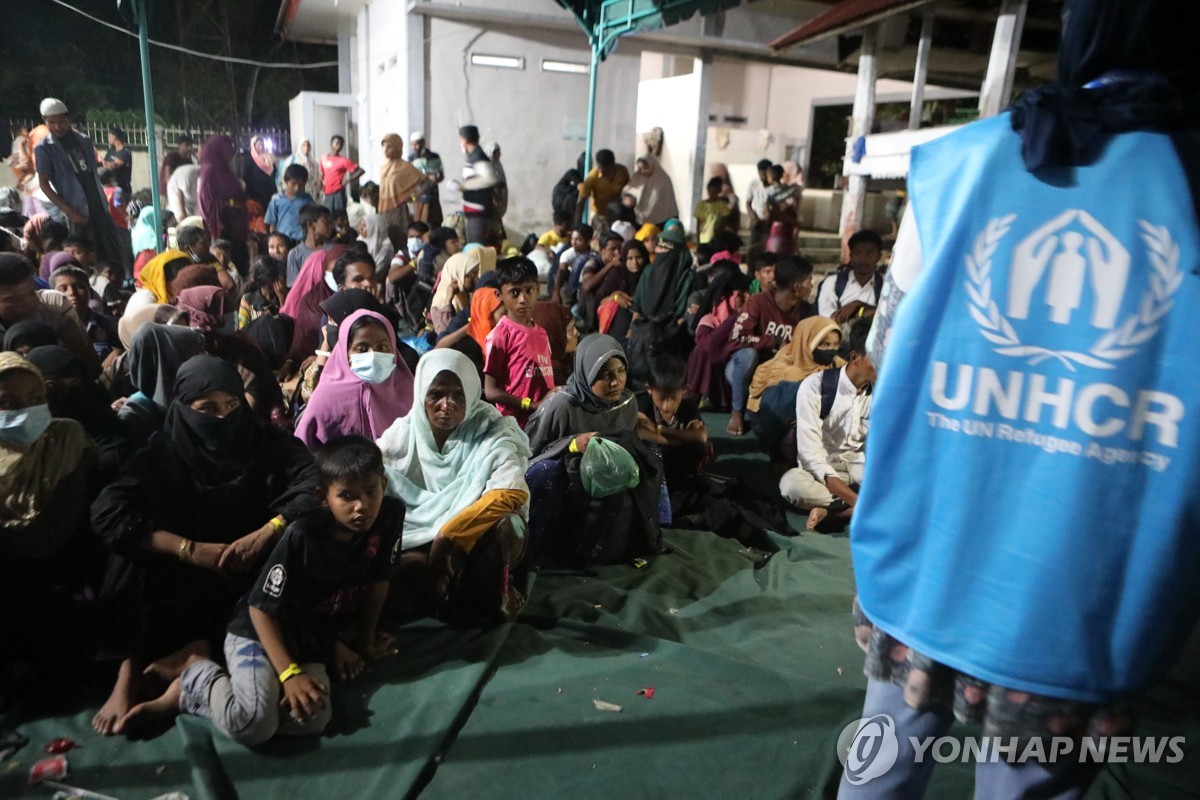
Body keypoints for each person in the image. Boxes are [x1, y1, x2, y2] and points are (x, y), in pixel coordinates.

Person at [840, 2, 1200, 797]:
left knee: (881, 763)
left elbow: (882, 357)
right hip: (1079, 591)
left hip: (927, 553)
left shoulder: (960, 164)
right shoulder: (1186, 188)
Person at [89, 354, 320, 735]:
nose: (223, 418)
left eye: (232, 405)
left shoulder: (263, 440)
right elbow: (108, 510)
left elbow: (312, 481)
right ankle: (127, 671)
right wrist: (191, 550)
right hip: (188, 575)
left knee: (304, 527)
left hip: (255, 570)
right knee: (127, 548)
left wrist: (266, 533)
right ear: (183, 408)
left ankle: (198, 655)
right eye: (207, 408)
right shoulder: (162, 451)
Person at [151, 434, 399, 744]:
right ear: (323, 497)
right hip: (257, 630)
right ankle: (197, 674)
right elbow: (260, 609)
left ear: (384, 486)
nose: (362, 506)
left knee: (311, 721)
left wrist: (364, 642)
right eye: (347, 496)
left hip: (309, 636)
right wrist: (290, 675)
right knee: (254, 725)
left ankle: (204, 699)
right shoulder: (303, 534)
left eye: (371, 492)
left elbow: (378, 581)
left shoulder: (390, 515)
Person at [379, 349, 532, 623]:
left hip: (471, 537)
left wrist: (451, 535)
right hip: (420, 538)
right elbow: (372, 474)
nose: (446, 405)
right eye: (436, 394)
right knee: (408, 568)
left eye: (457, 395)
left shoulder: (492, 429)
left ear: (472, 394)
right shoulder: (404, 434)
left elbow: (511, 491)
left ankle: (492, 591)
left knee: (502, 531)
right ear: (422, 394)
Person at [0, 352, 101, 685]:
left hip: (70, 571)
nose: (25, 411)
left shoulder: (67, 438)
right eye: (8, 402)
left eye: (35, 398)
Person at [523, 334, 663, 565]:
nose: (616, 382)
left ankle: (652, 530)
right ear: (586, 374)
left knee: (651, 454)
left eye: (620, 371)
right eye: (605, 375)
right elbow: (530, 454)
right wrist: (572, 444)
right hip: (566, 482)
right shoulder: (562, 405)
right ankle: (537, 547)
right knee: (545, 472)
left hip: (605, 476)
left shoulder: (627, 403)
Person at [778, 318, 871, 532]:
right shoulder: (815, 386)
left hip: (860, 471)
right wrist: (857, 500)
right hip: (823, 472)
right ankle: (863, 506)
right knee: (791, 485)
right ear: (855, 357)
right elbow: (812, 459)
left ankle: (833, 514)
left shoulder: (884, 392)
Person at [294, 308, 413, 451]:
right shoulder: (327, 398)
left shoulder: (408, 391)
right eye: (362, 349)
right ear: (345, 351)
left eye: (382, 347)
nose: (373, 355)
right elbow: (302, 451)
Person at [34, 99, 128, 271]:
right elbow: (44, 184)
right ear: (44, 121)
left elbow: (91, 173)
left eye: (61, 121)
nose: (57, 126)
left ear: (67, 118)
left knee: (112, 255)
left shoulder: (83, 140)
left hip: (99, 208)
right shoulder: (44, 148)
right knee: (84, 259)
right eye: (51, 122)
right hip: (77, 213)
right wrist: (70, 212)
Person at [724, 255, 814, 436]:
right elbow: (736, 338)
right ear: (797, 287)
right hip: (745, 371)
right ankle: (737, 411)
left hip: (778, 372)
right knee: (748, 355)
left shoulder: (806, 310)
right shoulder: (758, 302)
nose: (811, 286)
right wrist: (773, 341)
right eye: (809, 281)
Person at [27, 344, 128, 477]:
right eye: (50, 386)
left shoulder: (106, 434)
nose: (74, 390)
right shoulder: (27, 436)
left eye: (76, 383)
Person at [483, 257, 555, 428]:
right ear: (499, 295)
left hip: (541, 420)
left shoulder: (542, 333)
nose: (523, 299)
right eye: (515, 293)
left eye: (529, 290)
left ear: (537, 289)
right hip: (513, 424)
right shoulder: (501, 335)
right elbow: (491, 391)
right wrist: (528, 405)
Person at [0, 253, 100, 374]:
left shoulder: (54, 305)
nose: (27, 302)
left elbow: (88, 363)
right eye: (12, 299)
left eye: (31, 293)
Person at [625, 225, 695, 384]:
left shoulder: (686, 277)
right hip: (644, 330)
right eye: (659, 246)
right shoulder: (649, 271)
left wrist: (666, 332)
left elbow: (683, 313)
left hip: (672, 334)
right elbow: (638, 307)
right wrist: (631, 332)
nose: (659, 251)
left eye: (665, 247)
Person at [636, 354, 707, 491]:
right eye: (661, 398)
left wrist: (657, 429)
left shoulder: (688, 405)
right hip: (653, 456)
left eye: (673, 398)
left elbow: (701, 436)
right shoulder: (642, 403)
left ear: (684, 390)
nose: (667, 406)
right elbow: (640, 434)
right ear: (649, 389)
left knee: (699, 448)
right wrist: (681, 439)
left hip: (672, 452)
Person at [197, 135, 249, 271]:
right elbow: (207, 202)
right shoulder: (210, 172)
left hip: (236, 230)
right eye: (228, 148)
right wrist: (231, 204)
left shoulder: (225, 171)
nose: (231, 152)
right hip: (223, 229)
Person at [51, 265, 120, 361]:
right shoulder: (51, 333)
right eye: (63, 289)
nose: (72, 292)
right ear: (52, 295)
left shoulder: (112, 325)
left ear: (90, 291)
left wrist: (118, 352)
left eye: (79, 286)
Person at [817, 229, 884, 327]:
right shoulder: (833, 283)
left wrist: (858, 305)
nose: (863, 259)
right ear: (851, 256)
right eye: (858, 253)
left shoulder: (884, 286)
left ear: (879, 256)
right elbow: (828, 319)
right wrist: (867, 312)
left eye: (869, 253)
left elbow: (890, 316)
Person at [378, 134, 426, 250]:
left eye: (389, 147)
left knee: (399, 241)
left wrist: (413, 197)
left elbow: (425, 182)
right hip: (383, 210)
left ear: (397, 147)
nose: (385, 150)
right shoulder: (383, 165)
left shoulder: (404, 166)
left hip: (398, 210)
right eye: (383, 147)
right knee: (385, 242)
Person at [577, 231, 628, 332]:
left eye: (619, 249)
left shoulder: (621, 263)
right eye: (613, 249)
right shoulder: (593, 263)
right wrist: (609, 266)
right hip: (589, 308)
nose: (617, 253)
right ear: (602, 250)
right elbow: (587, 286)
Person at [458, 125, 498, 245]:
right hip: (473, 212)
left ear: (464, 140)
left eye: (460, 140)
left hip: (478, 214)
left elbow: (490, 178)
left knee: (477, 248)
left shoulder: (478, 157)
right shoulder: (473, 157)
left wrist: (465, 185)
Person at [428, 249, 481, 335]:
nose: (477, 279)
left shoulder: (462, 294)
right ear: (457, 275)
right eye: (472, 275)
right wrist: (447, 302)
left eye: (477, 274)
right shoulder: (440, 303)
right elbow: (443, 333)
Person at [576, 149, 630, 226]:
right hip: (598, 214)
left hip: (618, 213)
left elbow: (629, 191)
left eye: (605, 171)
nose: (601, 171)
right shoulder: (592, 177)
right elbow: (581, 200)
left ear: (613, 164)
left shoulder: (622, 171)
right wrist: (577, 224)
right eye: (599, 168)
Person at [286, 204, 333, 287]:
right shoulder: (295, 254)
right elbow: (295, 287)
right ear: (311, 225)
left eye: (330, 221)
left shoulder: (332, 250)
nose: (330, 225)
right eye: (325, 221)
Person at [266, 164, 315, 243]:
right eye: (294, 183)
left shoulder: (307, 199)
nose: (297, 188)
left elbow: (313, 219)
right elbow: (272, 223)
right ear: (286, 181)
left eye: (301, 185)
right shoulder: (276, 199)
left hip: (301, 240)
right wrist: (273, 240)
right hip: (282, 241)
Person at [626, 156, 679, 226]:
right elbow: (628, 190)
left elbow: (667, 202)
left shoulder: (663, 179)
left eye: (645, 168)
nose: (642, 171)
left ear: (652, 165)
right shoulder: (638, 176)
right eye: (640, 169)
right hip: (640, 219)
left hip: (662, 220)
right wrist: (628, 197)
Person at [238, 255, 287, 329]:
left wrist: (282, 299)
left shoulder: (285, 295)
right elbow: (243, 329)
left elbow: (287, 324)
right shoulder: (248, 299)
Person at [407, 133, 444, 226]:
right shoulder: (411, 159)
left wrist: (436, 179)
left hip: (433, 198)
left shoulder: (435, 157)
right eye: (412, 145)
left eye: (416, 144)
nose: (414, 147)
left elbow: (441, 175)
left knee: (435, 223)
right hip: (419, 198)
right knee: (420, 225)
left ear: (423, 143)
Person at [320, 135, 363, 214]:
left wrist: (348, 180)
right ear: (331, 144)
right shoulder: (323, 158)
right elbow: (321, 173)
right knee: (326, 215)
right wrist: (320, 184)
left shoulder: (344, 161)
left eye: (341, 144)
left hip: (338, 192)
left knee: (340, 217)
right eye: (337, 143)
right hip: (327, 193)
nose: (339, 146)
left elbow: (360, 171)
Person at [693, 176, 732, 245]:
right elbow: (698, 224)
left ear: (719, 191)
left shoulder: (722, 205)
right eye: (711, 191)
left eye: (715, 192)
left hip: (717, 239)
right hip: (703, 238)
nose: (712, 194)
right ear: (708, 190)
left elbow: (724, 222)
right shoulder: (701, 205)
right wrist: (697, 238)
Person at [746, 159, 773, 251]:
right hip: (756, 220)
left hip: (770, 221)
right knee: (753, 246)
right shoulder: (754, 183)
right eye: (761, 174)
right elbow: (748, 203)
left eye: (765, 174)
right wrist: (754, 218)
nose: (763, 177)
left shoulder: (774, 186)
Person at [167, 159, 200, 224]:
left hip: (192, 198)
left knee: (198, 220)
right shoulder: (188, 174)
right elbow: (180, 193)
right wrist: (183, 217)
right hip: (176, 190)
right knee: (181, 218)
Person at [103, 127, 133, 198]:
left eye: (110, 136)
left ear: (115, 137)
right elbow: (104, 163)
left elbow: (115, 165)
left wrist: (106, 164)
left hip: (122, 188)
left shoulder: (125, 152)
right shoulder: (111, 151)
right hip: (111, 187)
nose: (109, 138)